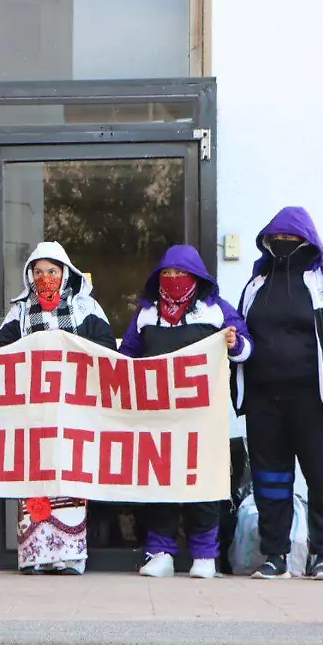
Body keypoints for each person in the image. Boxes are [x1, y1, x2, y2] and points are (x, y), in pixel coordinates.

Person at [235, 207, 323, 581]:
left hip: (317, 402)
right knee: (271, 482)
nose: (284, 246)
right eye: (277, 240)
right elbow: (242, 336)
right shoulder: (255, 284)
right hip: (265, 403)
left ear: (308, 242)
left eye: (292, 241)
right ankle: (274, 555)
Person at [118, 245, 251, 579]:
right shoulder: (146, 314)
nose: (174, 280)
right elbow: (127, 358)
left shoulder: (216, 310)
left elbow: (247, 347)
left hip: (203, 418)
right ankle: (160, 552)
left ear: (196, 277)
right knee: (160, 484)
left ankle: (205, 555)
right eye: (168, 274)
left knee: (204, 484)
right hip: (158, 418)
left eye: (181, 274)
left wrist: (235, 344)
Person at [0, 242, 115, 575]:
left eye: (52, 271)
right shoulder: (19, 311)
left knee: (71, 481)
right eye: (39, 272)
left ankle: (69, 557)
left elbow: (106, 350)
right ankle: (35, 555)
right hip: (32, 412)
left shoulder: (86, 307)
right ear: (30, 275)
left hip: (74, 412)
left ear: (65, 273)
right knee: (34, 481)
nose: (46, 278)